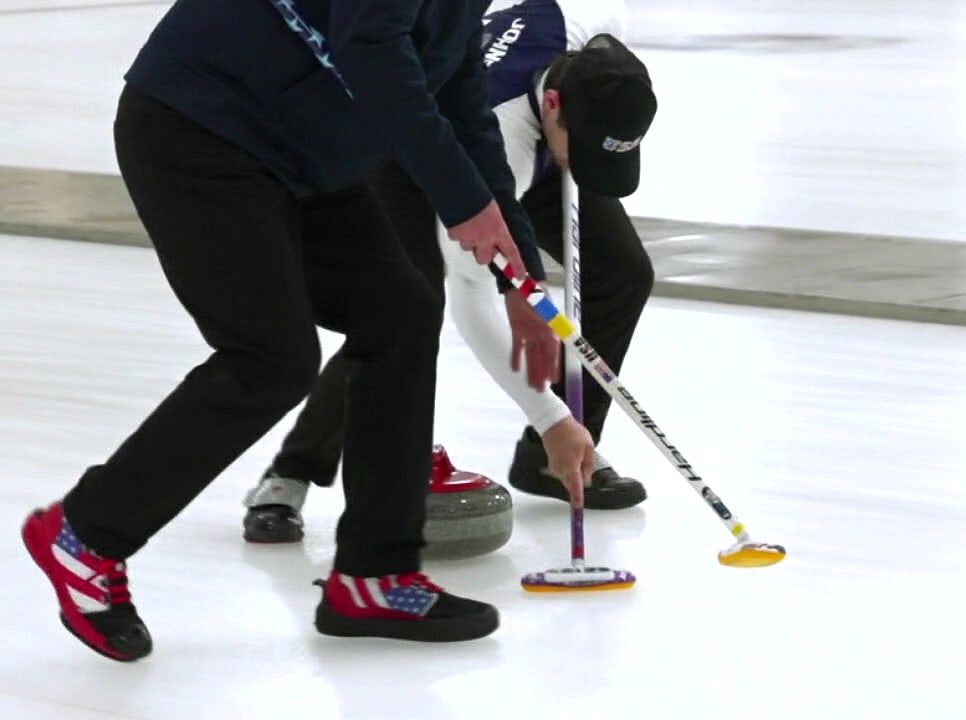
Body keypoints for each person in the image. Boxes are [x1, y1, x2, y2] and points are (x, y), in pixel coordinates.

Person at [19, 0, 589, 662]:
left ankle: (373, 575)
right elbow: (370, 46)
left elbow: (465, 115)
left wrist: (521, 287)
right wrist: (463, 205)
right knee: (270, 359)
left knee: (400, 312)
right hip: (201, 125)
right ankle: (85, 533)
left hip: (306, 155)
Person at [241, 0, 659, 544]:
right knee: (405, 310)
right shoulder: (502, 131)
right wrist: (547, 410)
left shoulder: (590, 22)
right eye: (583, 153)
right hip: (423, 155)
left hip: (531, 138)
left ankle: (553, 455)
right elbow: (473, 298)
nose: (587, 171)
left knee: (625, 270)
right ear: (554, 105)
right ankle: (291, 472)